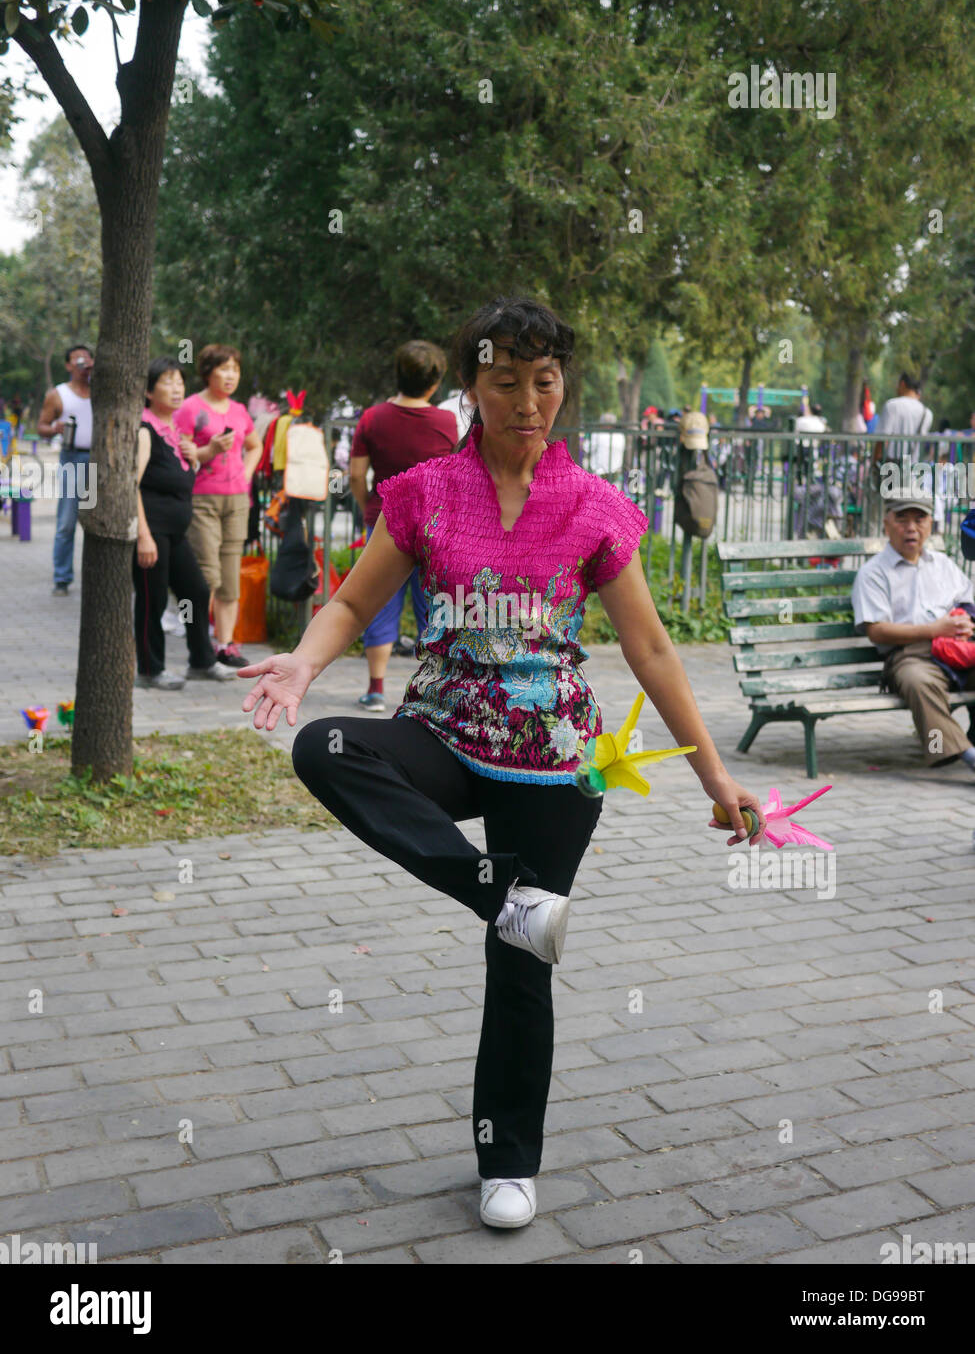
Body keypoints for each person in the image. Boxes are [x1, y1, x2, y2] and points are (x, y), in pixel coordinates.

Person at [238, 295, 765, 1231]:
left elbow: (650, 651)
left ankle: (507, 1162)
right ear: (470, 389)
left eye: (544, 381)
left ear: (563, 385)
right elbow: (354, 606)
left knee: (520, 965)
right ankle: (497, 891)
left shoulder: (595, 508)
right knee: (329, 745)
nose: (527, 401)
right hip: (442, 733)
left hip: (556, 764)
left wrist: (713, 776)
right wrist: (305, 662)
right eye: (504, 381)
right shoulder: (429, 491)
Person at [348, 341, 458, 711]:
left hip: (386, 521)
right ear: (435, 382)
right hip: (435, 528)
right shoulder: (446, 422)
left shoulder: (372, 418)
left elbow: (356, 474)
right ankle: (433, 688)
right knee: (434, 607)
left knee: (379, 603)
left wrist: (369, 507)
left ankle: (376, 689)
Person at [852, 489, 975, 772]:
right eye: (902, 519)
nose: (911, 528)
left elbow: (968, 605)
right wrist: (934, 629)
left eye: (919, 519)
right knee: (919, 682)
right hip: (909, 658)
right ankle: (968, 757)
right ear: (887, 524)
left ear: (931, 523)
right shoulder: (873, 573)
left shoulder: (944, 565)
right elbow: (877, 632)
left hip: (957, 652)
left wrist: (965, 622)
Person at [133, 357, 238, 689]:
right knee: (153, 599)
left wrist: (196, 457)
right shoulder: (145, 431)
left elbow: (179, 477)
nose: (177, 388)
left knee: (195, 590)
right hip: (153, 530)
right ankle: (150, 670)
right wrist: (143, 536)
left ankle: (202, 661)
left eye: (180, 382)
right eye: (167, 382)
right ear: (149, 392)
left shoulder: (173, 430)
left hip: (175, 532)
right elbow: (130, 485)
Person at [174, 345, 262, 668]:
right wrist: (209, 450)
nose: (230, 376)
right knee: (206, 576)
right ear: (208, 372)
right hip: (202, 499)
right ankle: (200, 646)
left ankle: (226, 646)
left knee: (229, 577)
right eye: (224, 369)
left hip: (238, 500)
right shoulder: (189, 408)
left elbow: (255, 445)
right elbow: (181, 454)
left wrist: (246, 473)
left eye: (235, 370)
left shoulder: (239, 410)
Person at [36, 345, 94, 596]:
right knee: (67, 522)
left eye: (86, 358)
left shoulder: (102, 391)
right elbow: (41, 426)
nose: (82, 363)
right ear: (69, 365)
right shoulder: (58, 394)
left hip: (96, 460)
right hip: (72, 458)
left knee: (95, 521)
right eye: (77, 360)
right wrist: (56, 428)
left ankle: (95, 576)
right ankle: (62, 578)